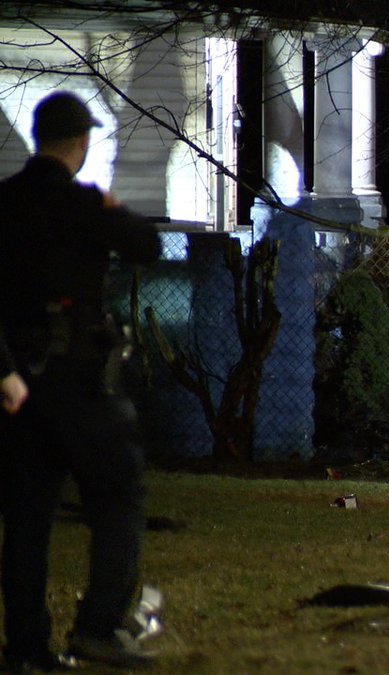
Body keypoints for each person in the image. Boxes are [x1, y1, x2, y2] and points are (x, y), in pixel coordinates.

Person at [0, 90, 162, 670]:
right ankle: (98, 625)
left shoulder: (4, 204)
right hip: (79, 379)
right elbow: (148, 245)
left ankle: (25, 646)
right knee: (119, 495)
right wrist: (114, 211)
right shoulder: (84, 205)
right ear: (81, 142)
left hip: (18, 381)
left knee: (26, 516)